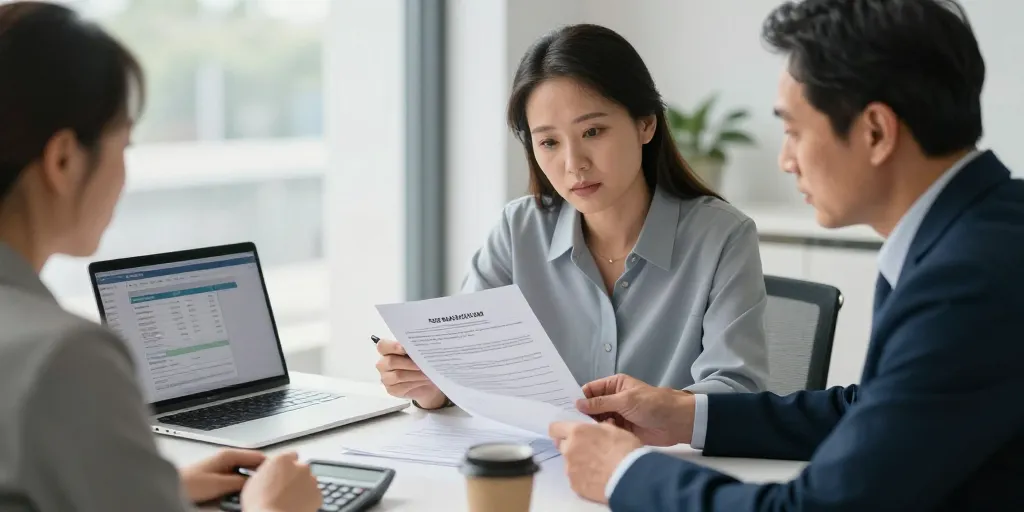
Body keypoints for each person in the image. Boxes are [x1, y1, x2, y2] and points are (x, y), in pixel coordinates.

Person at [548, 0, 1024, 510]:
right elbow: (874, 411)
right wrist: (685, 414)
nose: (786, 160)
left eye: (794, 131)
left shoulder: (969, 280)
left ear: (876, 132)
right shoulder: (980, 232)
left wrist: (624, 474)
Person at [0, 3, 321, 511]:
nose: (125, 177)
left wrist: (147, 487)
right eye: (123, 146)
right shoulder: (63, 357)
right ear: (62, 159)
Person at [375, 23, 769, 410]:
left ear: (645, 123)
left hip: (662, 467)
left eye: (593, 131)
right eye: (548, 142)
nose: (573, 164)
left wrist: (655, 411)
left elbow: (738, 390)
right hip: (541, 462)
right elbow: (472, 365)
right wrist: (433, 388)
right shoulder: (518, 231)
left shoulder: (723, 237)